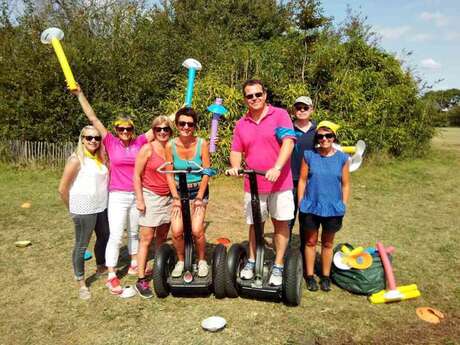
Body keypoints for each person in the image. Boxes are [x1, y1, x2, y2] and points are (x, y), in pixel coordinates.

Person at [71, 86, 154, 295]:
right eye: (121, 129)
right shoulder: (109, 141)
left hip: (137, 193)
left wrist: (184, 107)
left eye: (128, 129)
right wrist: (80, 94)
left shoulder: (140, 141)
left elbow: (162, 124)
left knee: (134, 232)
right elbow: (92, 117)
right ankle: (111, 275)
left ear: (133, 129)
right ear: (116, 130)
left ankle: (135, 262)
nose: (125, 132)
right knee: (116, 236)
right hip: (117, 194)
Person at [227, 79, 296, 286]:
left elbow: (288, 142)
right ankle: (251, 260)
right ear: (245, 99)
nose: (254, 99)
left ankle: (278, 264)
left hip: (280, 183)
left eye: (258, 94)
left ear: (265, 95)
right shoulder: (241, 123)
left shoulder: (280, 115)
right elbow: (236, 150)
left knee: (280, 223)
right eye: (250, 96)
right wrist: (236, 166)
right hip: (253, 183)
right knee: (254, 224)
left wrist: (277, 167)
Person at [297, 121, 350, 292]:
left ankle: (326, 276)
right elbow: (303, 180)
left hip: (333, 208)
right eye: (320, 136)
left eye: (328, 135)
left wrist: (343, 203)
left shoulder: (342, 158)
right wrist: (300, 201)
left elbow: (345, 184)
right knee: (311, 241)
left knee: (327, 243)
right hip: (311, 206)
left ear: (334, 137)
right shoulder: (309, 155)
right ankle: (310, 276)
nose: (324, 139)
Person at [58, 125, 110, 300]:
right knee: (82, 245)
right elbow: (62, 189)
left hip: (101, 206)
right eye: (89, 138)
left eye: (96, 138)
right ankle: (80, 281)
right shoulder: (76, 160)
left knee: (104, 236)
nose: (93, 140)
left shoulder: (99, 158)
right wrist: (73, 210)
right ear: (82, 139)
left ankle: (101, 265)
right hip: (83, 209)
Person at [165, 107, 211, 278]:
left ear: (195, 126)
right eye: (182, 123)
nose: (186, 127)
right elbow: (169, 173)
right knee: (176, 231)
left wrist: (199, 197)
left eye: (190, 124)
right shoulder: (170, 145)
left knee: (196, 229)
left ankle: (201, 260)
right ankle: (181, 260)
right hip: (179, 191)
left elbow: (207, 171)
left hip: (198, 190)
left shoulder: (201, 143)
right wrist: (175, 198)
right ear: (177, 125)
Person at [133, 116, 173, 298]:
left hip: (169, 197)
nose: (162, 132)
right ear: (154, 131)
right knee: (146, 239)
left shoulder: (173, 148)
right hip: (151, 196)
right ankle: (141, 280)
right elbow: (136, 176)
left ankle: (159, 269)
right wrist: (140, 199)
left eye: (166, 129)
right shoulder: (147, 149)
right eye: (158, 129)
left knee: (163, 237)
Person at [289, 96, 316, 239]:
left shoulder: (319, 131)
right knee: (288, 219)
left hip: (310, 181)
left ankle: (305, 255)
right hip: (289, 180)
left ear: (311, 109)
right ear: (294, 110)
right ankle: (284, 257)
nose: (302, 110)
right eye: (298, 108)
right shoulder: (287, 128)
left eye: (305, 108)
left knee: (307, 221)